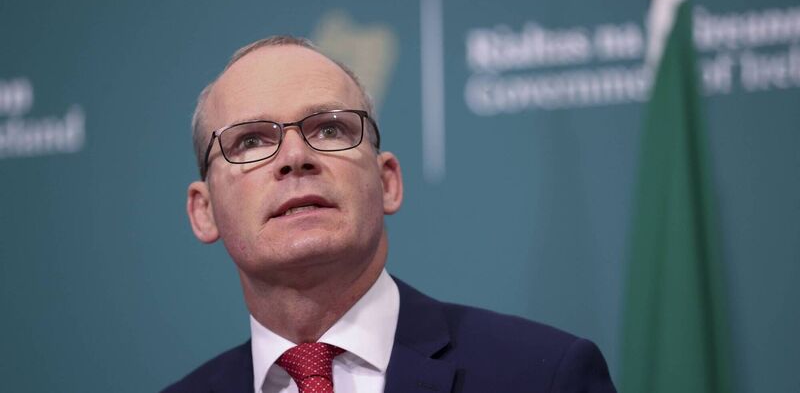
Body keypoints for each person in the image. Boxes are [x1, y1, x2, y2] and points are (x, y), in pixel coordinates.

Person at [163, 35, 617, 393]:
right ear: (204, 211)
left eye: (329, 129)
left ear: (387, 182)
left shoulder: (543, 376)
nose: (295, 157)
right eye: (251, 141)